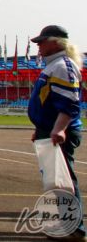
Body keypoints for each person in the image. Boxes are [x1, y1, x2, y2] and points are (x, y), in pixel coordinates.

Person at [28, 25, 85, 239]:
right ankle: (65, 225)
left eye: (42, 41)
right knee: (55, 181)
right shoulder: (55, 66)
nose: (39, 46)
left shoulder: (63, 66)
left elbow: (70, 104)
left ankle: (74, 228)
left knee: (64, 181)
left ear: (56, 42)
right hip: (49, 130)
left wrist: (59, 129)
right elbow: (47, 101)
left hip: (59, 132)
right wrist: (39, 127)